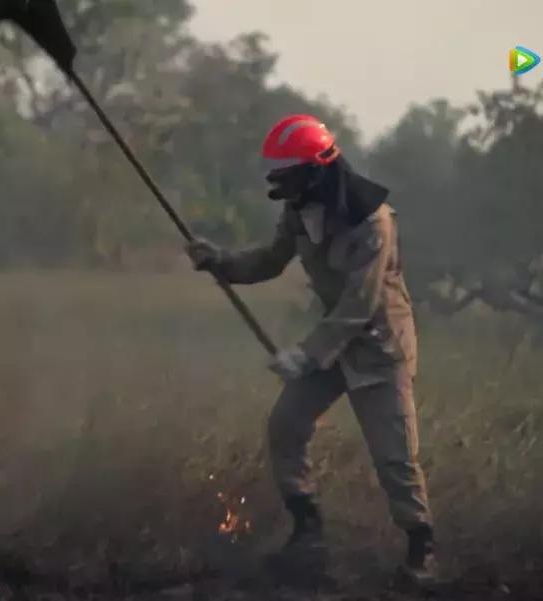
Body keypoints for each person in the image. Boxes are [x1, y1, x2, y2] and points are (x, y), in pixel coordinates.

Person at [186, 114, 436, 585]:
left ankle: (422, 549)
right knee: (286, 425)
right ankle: (309, 531)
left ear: (317, 169)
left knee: (394, 457)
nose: (277, 182)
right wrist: (218, 261)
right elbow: (270, 260)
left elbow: (360, 304)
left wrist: (305, 354)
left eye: (286, 173)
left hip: (381, 349)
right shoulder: (300, 209)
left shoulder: (372, 222)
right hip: (333, 348)